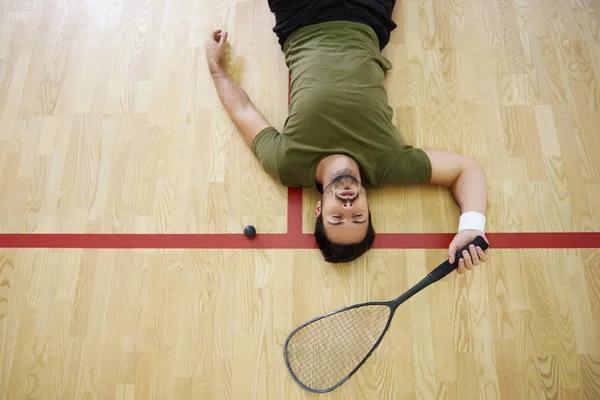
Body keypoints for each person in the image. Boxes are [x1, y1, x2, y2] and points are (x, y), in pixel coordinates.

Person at [205, 0, 489, 271]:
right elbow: (465, 170)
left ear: (319, 210)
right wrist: (472, 226)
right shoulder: (388, 165)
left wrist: (216, 69)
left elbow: (243, 111)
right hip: (367, 16)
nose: (348, 205)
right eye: (358, 217)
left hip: (300, 17)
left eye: (337, 217)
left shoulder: (287, 164)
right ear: (369, 210)